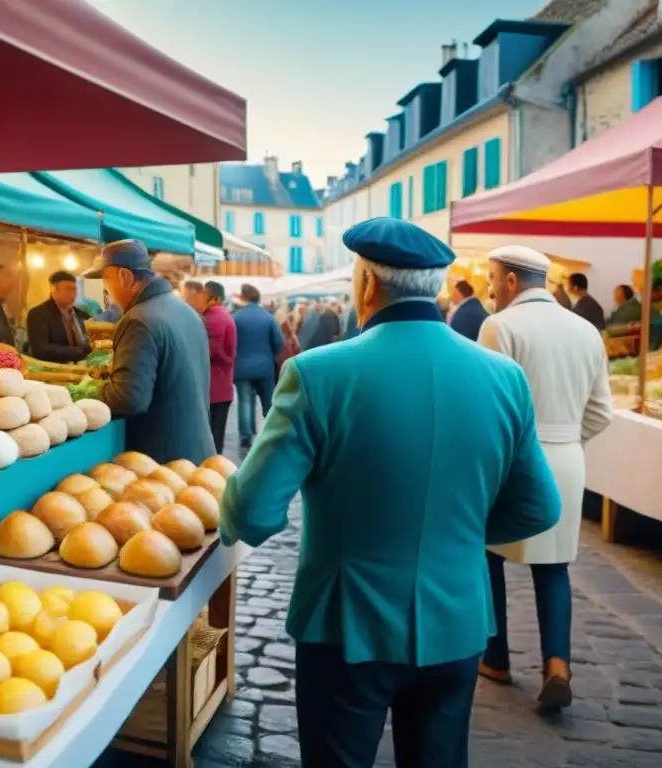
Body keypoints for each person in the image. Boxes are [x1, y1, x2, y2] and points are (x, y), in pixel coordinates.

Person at [220, 218, 561, 768]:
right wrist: (461, 535)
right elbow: (538, 508)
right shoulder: (504, 376)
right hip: (456, 619)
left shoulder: (319, 373)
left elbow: (254, 513)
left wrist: (226, 494)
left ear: (367, 285)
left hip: (346, 623)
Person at [478, 245, 614, 710]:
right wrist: (567, 442)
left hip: (512, 456)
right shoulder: (586, 330)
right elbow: (601, 413)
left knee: (489, 555)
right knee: (554, 566)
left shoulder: (500, 326)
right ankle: (557, 664)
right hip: (567, 457)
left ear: (511, 281)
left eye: (492, 278)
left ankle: (495, 657)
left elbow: (488, 409)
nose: (490, 288)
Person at [85, 240, 215, 464]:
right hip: (197, 451)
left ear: (125, 277)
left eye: (106, 278)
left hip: (164, 463)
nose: (106, 289)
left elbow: (129, 398)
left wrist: (87, 395)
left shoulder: (138, 320)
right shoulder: (185, 310)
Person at [232, 284, 284, 449]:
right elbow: (279, 342)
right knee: (268, 402)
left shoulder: (236, 317)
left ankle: (245, 436)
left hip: (241, 368)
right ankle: (270, 433)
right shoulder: (268, 317)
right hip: (264, 367)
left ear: (243, 297)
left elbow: (231, 342)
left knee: (245, 401)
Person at [200, 281, 237, 455]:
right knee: (215, 435)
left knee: (213, 438)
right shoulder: (220, 315)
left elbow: (212, 351)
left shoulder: (215, 318)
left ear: (213, 298)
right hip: (220, 386)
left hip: (215, 387)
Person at [26, 271, 91, 363]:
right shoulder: (38, 314)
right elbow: (41, 350)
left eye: (75, 289)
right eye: (68, 289)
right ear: (53, 289)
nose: (74, 293)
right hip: (54, 369)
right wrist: (80, 351)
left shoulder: (82, 315)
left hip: (84, 367)